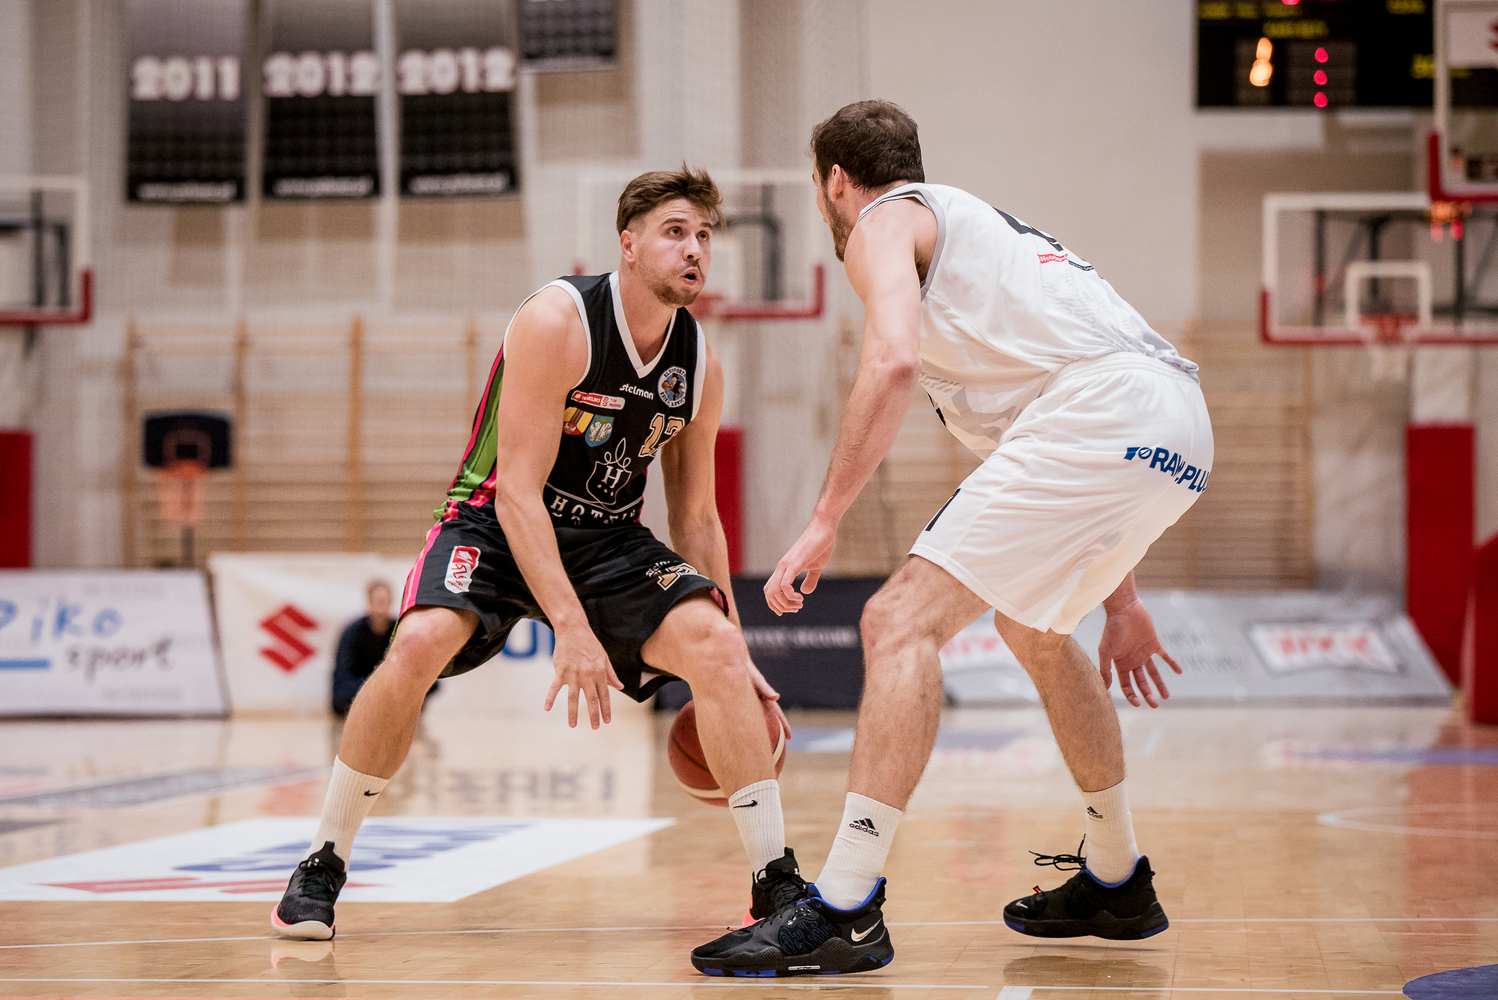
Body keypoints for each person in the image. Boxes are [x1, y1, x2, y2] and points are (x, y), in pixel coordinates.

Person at [690, 101, 1212, 977]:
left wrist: (823, 520)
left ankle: (847, 904)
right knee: (1035, 631)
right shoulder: (984, 258)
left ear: (835, 182)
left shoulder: (883, 221)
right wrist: (1119, 600)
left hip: (1104, 414)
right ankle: (1118, 878)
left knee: (897, 621)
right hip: (1177, 426)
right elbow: (1067, 445)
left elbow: (891, 360)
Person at [274, 166, 800, 942]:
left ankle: (775, 881)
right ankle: (323, 860)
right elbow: (518, 493)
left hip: (607, 538)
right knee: (416, 644)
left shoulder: (700, 365)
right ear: (627, 244)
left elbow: (696, 516)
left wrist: (736, 644)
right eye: (675, 232)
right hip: (492, 521)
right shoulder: (558, 320)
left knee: (717, 648)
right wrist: (572, 628)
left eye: (704, 236)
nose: (695, 249)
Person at [331, 581, 400, 716]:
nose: (381, 607)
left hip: (393, 696)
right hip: (356, 697)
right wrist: (374, 690)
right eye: (377, 601)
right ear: (369, 602)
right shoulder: (351, 633)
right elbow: (342, 675)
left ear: (391, 602)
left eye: (384, 601)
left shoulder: (401, 631)